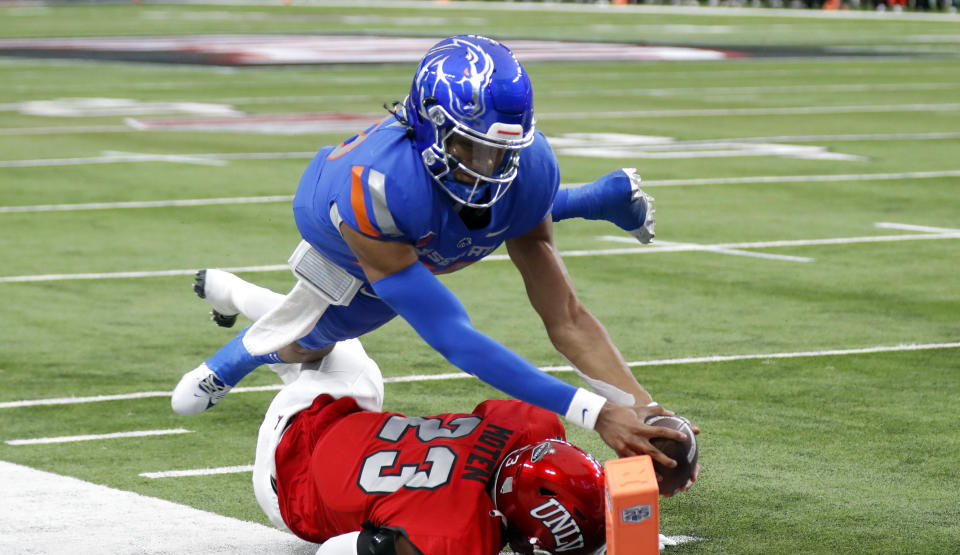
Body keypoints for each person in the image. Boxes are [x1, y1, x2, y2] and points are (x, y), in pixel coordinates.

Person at [173, 34, 686, 465]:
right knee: (308, 344)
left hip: (430, 225)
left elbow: (567, 318)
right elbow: (454, 337)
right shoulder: (376, 190)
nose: (489, 169)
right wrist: (594, 412)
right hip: (343, 230)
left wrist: (643, 408)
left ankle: (596, 197)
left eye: (501, 151)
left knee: (497, 216)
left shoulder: (526, 168)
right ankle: (231, 353)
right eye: (471, 148)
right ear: (428, 125)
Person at [253, 337, 608, 555]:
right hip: (288, 488)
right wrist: (412, 552)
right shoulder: (465, 546)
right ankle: (229, 352)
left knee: (338, 336)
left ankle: (238, 309)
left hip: (325, 415)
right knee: (324, 332)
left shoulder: (532, 427)